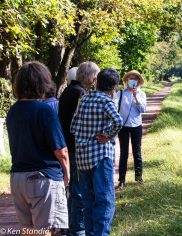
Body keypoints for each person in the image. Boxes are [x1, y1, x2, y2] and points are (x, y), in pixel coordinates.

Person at [6, 61, 70, 234]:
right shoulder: (44, 110)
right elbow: (61, 150)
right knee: (46, 231)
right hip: (42, 179)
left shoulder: (13, 111)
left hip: (18, 179)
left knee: (29, 231)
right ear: (42, 83)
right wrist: (67, 174)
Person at [71, 68, 123, 236]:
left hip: (82, 158)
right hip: (101, 156)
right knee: (105, 201)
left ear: (97, 81)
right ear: (114, 86)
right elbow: (118, 121)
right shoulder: (106, 101)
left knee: (88, 202)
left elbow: (73, 126)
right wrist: (107, 136)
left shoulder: (84, 99)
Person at [59, 62, 99, 236]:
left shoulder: (67, 92)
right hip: (76, 148)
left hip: (68, 145)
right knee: (79, 191)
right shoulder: (80, 94)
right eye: (95, 76)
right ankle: (77, 229)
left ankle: (69, 225)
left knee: (72, 189)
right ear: (90, 77)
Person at [116, 70, 147, 189]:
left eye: (134, 78)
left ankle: (139, 178)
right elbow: (114, 106)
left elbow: (143, 110)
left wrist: (137, 98)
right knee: (124, 153)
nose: (132, 80)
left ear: (138, 81)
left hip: (136, 126)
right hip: (123, 126)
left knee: (137, 153)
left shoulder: (142, 94)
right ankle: (121, 180)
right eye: (130, 78)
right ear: (126, 80)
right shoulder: (121, 93)